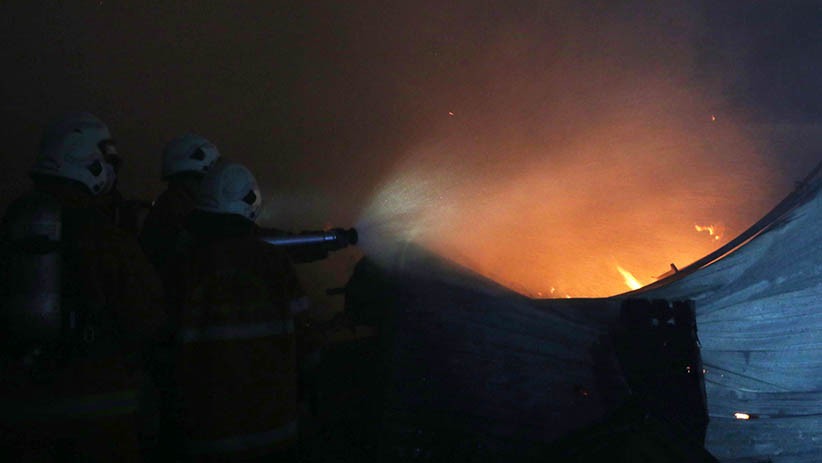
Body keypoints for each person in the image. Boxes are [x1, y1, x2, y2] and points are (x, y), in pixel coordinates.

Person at [0, 112, 168, 462]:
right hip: (99, 429)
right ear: (88, 163)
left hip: (21, 427)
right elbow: (150, 319)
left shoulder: (12, 226)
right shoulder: (105, 239)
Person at [169, 161, 306, 462]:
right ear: (251, 202)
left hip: (207, 436)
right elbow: (307, 340)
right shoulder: (275, 262)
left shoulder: (185, 265)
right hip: (275, 433)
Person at [139, 133, 220, 272]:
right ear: (185, 179)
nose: (210, 188)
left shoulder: (173, 211)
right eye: (202, 179)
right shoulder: (173, 218)